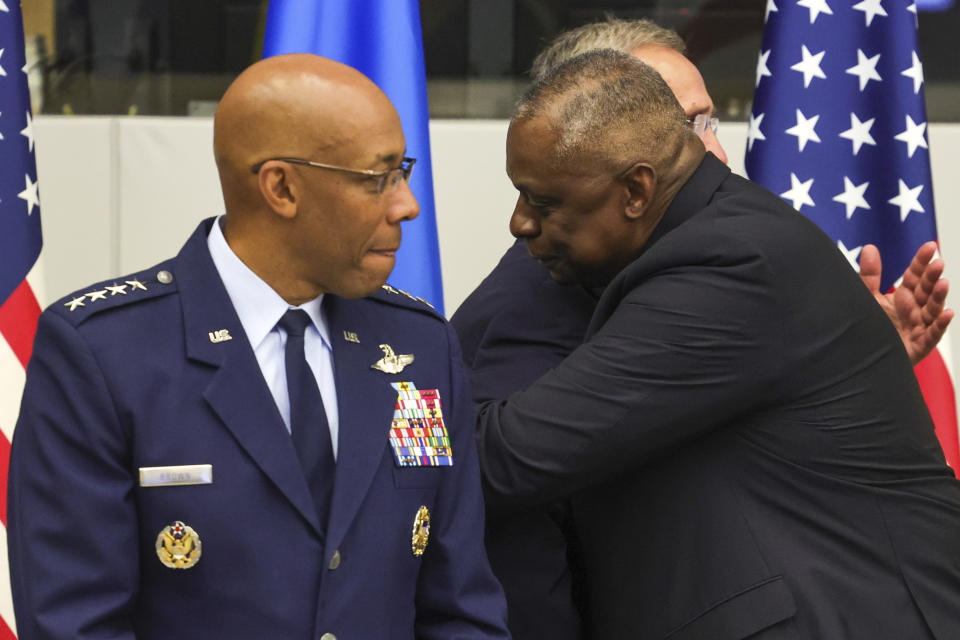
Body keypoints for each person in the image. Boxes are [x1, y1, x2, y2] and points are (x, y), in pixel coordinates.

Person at [451, 18, 951, 640]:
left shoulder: (729, 263)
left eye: (544, 202)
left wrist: (365, 393)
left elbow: (504, 457)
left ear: (637, 187)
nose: (519, 224)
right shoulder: (717, 234)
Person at [7, 54, 510, 640]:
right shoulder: (105, 353)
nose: (407, 204)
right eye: (379, 178)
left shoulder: (417, 343)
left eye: (405, 172)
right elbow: (76, 622)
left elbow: (461, 608)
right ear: (281, 187)